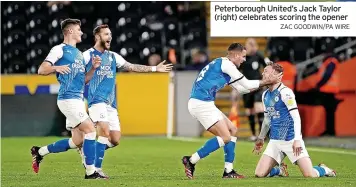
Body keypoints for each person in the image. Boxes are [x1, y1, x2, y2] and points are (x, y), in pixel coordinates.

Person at [78, 24, 173, 178]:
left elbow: (131, 66)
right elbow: (78, 77)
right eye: (106, 34)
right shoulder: (87, 55)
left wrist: (155, 69)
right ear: (97, 37)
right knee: (104, 131)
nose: (110, 37)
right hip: (96, 100)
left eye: (110, 34)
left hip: (111, 103)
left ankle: (88, 151)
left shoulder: (113, 56)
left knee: (115, 139)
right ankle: (95, 169)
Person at [181, 43, 282, 179]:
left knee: (233, 130)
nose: (244, 60)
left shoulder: (225, 66)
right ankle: (191, 160)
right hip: (201, 104)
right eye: (243, 56)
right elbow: (246, 84)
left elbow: (242, 89)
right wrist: (266, 81)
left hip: (205, 103)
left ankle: (228, 171)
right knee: (226, 137)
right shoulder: (227, 64)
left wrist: (264, 84)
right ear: (235, 55)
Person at [30, 18, 105, 179]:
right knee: (91, 130)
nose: (81, 32)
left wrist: (93, 68)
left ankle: (39, 151)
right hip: (68, 99)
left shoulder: (78, 54)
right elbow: (41, 70)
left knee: (77, 141)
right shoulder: (59, 49)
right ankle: (91, 172)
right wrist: (56, 67)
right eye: (79, 29)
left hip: (77, 99)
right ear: (70, 31)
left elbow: (83, 80)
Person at [253, 63, 336, 178]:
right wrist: (261, 138)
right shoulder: (265, 95)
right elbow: (267, 119)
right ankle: (280, 170)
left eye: (266, 71)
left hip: (291, 140)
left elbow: (296, 117)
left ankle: (323, 169)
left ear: (277, 75)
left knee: (310, 175)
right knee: (259, 174)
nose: (263, 73)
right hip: (275, 141)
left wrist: (297, 140)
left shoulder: (286, 92)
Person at [239, 38, 267, 141]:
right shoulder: (242, 57)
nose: (253, 47)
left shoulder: (258, 56)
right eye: (250, 45)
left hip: (258, 86)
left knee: (259, 108)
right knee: (249, 111)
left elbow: (267, 67)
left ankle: (261, 134)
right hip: (246, 87)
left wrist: (264, 80)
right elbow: (237, 71)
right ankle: (253, 134)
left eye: (254, 44)